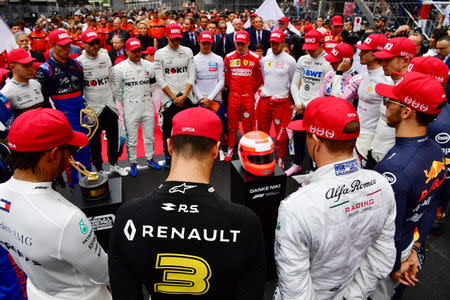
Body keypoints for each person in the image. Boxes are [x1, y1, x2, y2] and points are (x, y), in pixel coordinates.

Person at [108, 107, 266, 299]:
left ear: (169, 146)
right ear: (215, 150)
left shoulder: (128, 217)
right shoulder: (245, 223)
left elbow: (124, 293)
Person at [274, 96, 396, 299]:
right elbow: (382, 256)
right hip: (350, 290)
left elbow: (294, 291)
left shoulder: (295, 207)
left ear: (316, 141)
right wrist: (354, 296)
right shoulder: (382, 185)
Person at [0, 108, 110, 300]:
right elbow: (104, 274)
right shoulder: (66, 219)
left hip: (37, 291)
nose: (71, 158)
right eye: (71, 151)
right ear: (54, 154)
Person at [372, 71, 447, 299]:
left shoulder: (393, 170)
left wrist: (395, 266)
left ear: (406, 112)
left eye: (389, 101)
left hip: (388, 258)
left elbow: (386, 231)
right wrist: (415, 249)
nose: (385, 105)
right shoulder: (435, 149)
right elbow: (430, 205)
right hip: (409, 245)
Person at [35, 29, 91, 187]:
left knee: (85, 149)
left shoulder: (77, 64)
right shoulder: (45, 69)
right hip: (62, 116)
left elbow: (82, 88)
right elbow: (42, 99)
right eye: (62, 46)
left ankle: (88, 181)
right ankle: (74, 187)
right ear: (52, 46)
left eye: (68, 45)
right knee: (69, 154)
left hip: (81, 113)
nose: (67, 49)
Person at [76, 30, 128, 176]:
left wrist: (114, 98)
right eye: (91, 43)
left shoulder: (106, 57)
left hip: (108, 103)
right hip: (92, 107)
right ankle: (99, 169)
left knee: (114, 136)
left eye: (97, 42)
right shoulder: (79, 62)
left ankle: (114, 164)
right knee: (94, 141)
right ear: (83, 44)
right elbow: (80, 87)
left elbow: (111, 79)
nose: (95, 46)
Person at [112, 38, 161, 177]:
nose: (137, 53)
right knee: (132, 138)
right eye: (133, 51)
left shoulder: (149, 66)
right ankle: (133, 162)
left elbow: (152, 84)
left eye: (139, 50)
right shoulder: (119, 68)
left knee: (149, 135)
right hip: (130, 106)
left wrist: (146, 94)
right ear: (126, 50)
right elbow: (116, 90)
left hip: (147, 104)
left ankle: (150, 158)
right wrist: (127, 100)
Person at [287, 30, 332, 176]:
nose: (309, 51)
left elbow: (328, 91)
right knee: (297, 135)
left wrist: (309, 106)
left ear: (322, 44)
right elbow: (294, 84)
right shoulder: (302, 59)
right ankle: (297, 164)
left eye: (312, 48)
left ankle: (315, 171)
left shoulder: (328, 62)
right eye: (307, 47)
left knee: (316, 140)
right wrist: (298, 103)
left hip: (318, 108)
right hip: (301, 106)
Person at [154, 23, 197, 169]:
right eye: (173, 39)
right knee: (167, 127)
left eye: (178, 39)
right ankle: (167, 155)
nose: (176, 42)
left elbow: (192, 75)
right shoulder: (159, 53)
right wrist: (174, 97)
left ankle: (188, 153)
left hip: (186, 95)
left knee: (189, 126)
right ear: (167, 36)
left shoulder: (188, 51)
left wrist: (184, 95)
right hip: (169, 97)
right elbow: (159, 78)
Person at [369, 37, 416, 164]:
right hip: (376, 152)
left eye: (388, 59)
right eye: (382, 59)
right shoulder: (390, 80)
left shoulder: (412, 89)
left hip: (392, 159)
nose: (382, 63)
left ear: (405, 61)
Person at [256, 30, 296, 169]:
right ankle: (265, 155)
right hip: (266, 100)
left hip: (282, 102)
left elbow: (293, 82)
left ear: (282, 43)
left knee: (281, 135)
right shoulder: (265, 59)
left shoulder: (290, 61)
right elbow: (263, 78)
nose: (274, 46)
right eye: (272, 43)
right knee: (263, 131)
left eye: (277, 43)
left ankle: (280, 158)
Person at [352, 33, 392, 164]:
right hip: (357, 134)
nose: (359, 54)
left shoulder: (385, 81)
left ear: (377, 53)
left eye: (364, 51)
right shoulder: (366, 73)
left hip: (370, 139)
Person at [223, 30, 262, 161]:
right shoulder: (228, 57)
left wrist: (250, 91)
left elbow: (259, 79)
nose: (240, 46)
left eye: (243, 44)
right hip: (233, 96)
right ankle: (230, 148)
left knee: (247, 125)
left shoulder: (256, 58)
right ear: (235, 43)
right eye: (238, 43)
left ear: (248, 43)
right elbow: (227, 79)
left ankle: (247, 147)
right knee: (232, 125)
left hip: (248, 97)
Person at [193, 31, 226, 143]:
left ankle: (218, 146)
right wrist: (202, 98)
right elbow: (192, 82)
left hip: (215, 98)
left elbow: (221, 81)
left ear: (212, 43)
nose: (206, 45)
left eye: (208, 43)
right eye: (203, 43)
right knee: (200, 126)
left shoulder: (218, 59)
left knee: (217, 124)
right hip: (200, 99)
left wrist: (210, 98)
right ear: (199, 42)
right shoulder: (193, 59)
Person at [0, 49, 44, 116]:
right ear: (12, 67)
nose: (31, 69)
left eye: (31, 64)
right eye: (25, 66)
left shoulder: (36, 84)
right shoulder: (6, 93)